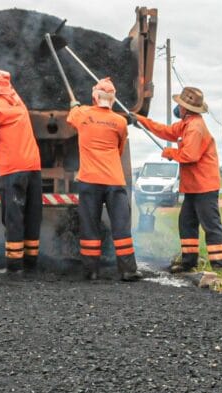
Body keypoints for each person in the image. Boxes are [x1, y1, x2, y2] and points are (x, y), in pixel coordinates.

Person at [133, 86, 222, 272]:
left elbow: (190, 155)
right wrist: (140, 120)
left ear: (186, 108)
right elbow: (166, 131)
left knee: (210, 225)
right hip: (193, 186)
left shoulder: (195, 128)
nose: (178, 107)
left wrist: (170, 152)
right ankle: (189, 262)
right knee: (186, 222)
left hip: (204, 186)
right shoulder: (186, 123)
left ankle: (221, 267)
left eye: (180, 104)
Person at [67, 78, 143, 282]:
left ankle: (91, 271)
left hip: (90, 180)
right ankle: (128, 270)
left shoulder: (82, 114)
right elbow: (119, 148)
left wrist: (74, 106)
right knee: (121, 226)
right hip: (114, 180)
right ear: (113, 100)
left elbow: (71, 118)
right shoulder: (119, 121)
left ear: (94, 97)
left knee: (90, 225)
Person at [0, 69, 42, 275]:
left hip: (12, 168)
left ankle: (14, 266)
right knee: (33, 214)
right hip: (33, 166)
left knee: (14, 215)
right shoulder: (19, 104)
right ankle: (31, 263)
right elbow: (12, 95)